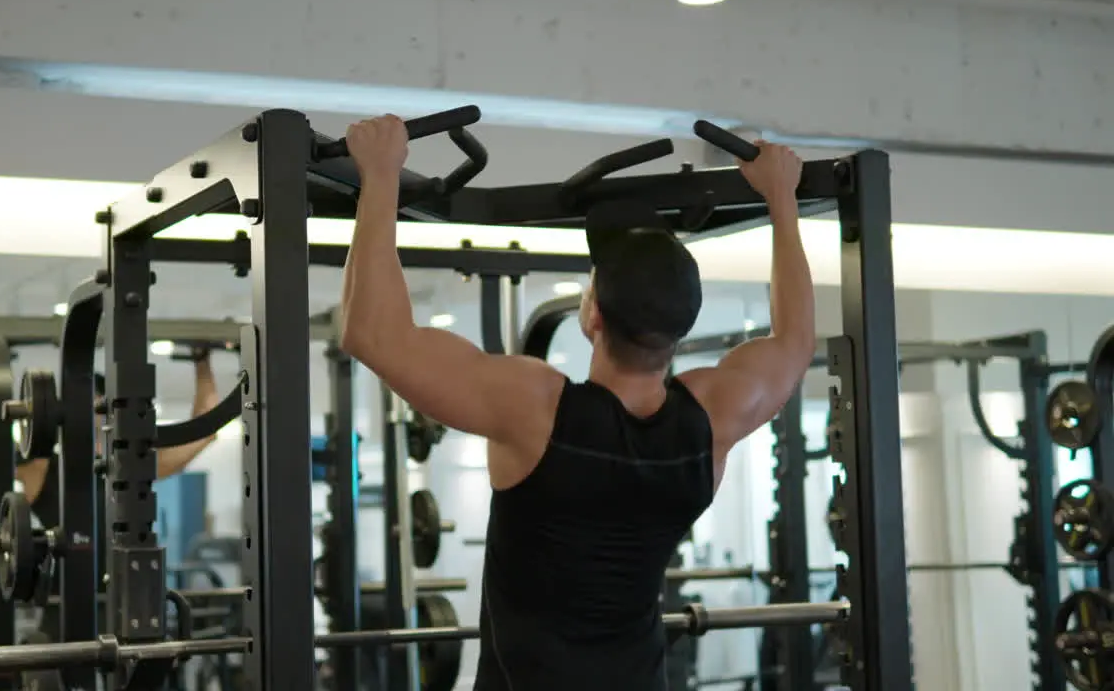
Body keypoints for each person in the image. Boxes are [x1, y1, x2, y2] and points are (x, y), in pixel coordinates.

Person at [339, 115, 814, 691]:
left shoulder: (537, 410)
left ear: (591, 316)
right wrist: (781, 200)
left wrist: (381, 174)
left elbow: (373, 334)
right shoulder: (709, 422)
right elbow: (794, 343)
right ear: (681, 331)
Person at [16, 353, 221, 505]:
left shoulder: (132, 465)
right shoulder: (41, 469)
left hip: (124, 561)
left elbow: (205, 429)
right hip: (69, 563)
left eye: (95, 402)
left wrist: (201, 361)